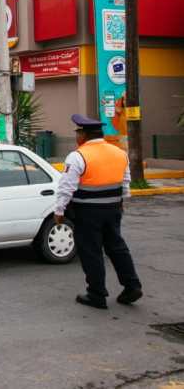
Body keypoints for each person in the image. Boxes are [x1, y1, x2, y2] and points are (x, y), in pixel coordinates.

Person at [53, 114, 143, 309]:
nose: (76, 137)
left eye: (78, 133)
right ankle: (132, 286)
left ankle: (96, 294)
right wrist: (121, 202)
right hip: (113, 209)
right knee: (117, 247)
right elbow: (125, 182)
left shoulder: (78, 156)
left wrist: (59, 211)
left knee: (91, 251)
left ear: (83, 135)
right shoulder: (119, 153)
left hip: (87, 212)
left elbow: (66, 187)